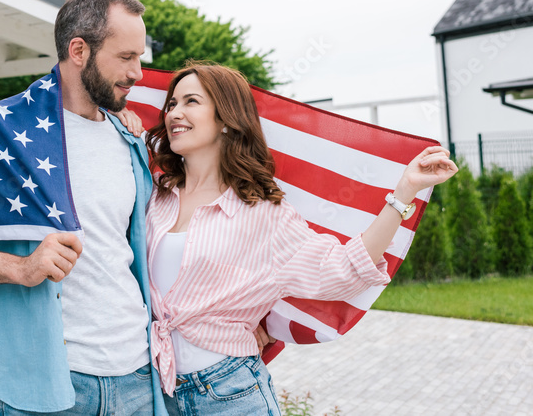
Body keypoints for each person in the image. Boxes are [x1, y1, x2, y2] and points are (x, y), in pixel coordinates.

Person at [117, 62, 457, 416]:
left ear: (225, 120)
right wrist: (117, 119)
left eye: (191, 102)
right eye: (171, 103)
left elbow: (341, 269)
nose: (175, 112)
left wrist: (404, 193)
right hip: (157, 390)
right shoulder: (154, 194)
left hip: (230, 393)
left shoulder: (262, 213)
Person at [0, 0, 169, 415]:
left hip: (137, 376)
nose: (138, 73)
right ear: (79, 49)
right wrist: (22, 268)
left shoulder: (130, 138)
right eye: (126, 57)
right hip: (45, 383)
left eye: (139, 57)